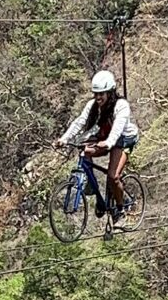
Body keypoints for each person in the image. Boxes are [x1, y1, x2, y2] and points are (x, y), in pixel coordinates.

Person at [59, 68, 139, 218]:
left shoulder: (121, 106)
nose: (98, 97)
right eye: (95, 94)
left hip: (123, 140)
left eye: (101, 94)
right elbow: (80, 122)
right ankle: (91, 184)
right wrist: (64, 139)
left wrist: (108, 143)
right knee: (85, 150)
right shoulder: (92, 105)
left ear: (110, 92)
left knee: (113, 176)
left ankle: (121, 209)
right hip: (107, 137)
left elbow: (117, 129)